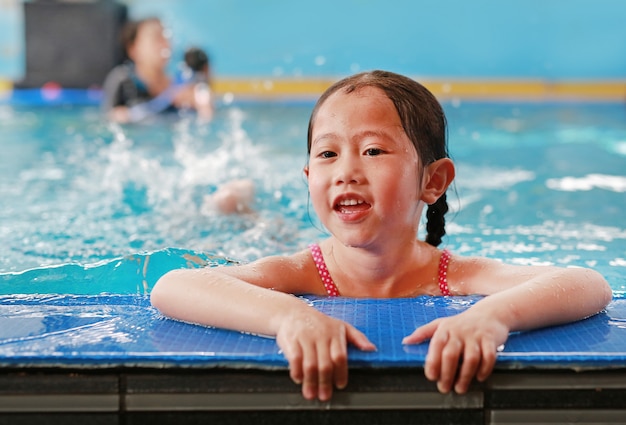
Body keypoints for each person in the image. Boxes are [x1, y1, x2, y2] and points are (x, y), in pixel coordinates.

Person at [150, 70, 612, 401]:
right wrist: (289, 317)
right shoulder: (297, 272)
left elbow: (588, 283)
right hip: (281, 257)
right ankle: (240, 206)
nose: (346, 172)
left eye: (373, 150)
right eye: (328, 154)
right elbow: (174, 285)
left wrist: (494, 316)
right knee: (265, 234)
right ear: (309, 176)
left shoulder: (454, 274)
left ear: (433, 181)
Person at [101, 17, 212, 123]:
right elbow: (113, 118)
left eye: (166, 38)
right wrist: (168, 99)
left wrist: (203, 105)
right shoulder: (123, 82)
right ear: (133, 49)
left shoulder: (183, 84)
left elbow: (206, 119)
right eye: (156, 38)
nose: (164, 45)